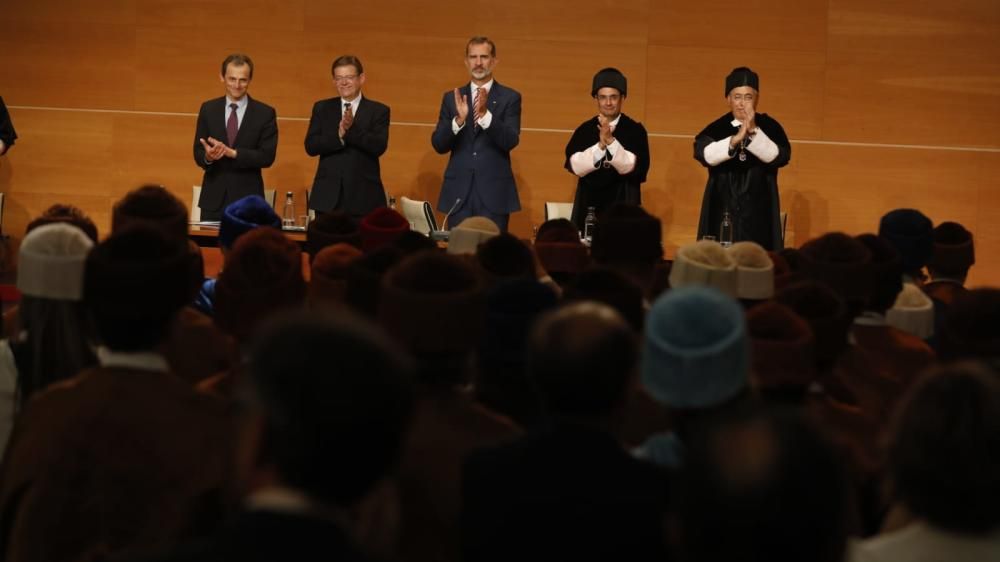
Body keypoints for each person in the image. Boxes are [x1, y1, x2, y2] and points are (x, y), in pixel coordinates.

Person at [431, 36, 521, 232]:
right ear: (466, 61)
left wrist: (485, 116)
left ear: (494, 61)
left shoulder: (510, 97)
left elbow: (510, 140)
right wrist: (458, 121)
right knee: (458, 256)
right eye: (473, 57)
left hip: (494, 195)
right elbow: (438, 144)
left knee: (492, 257)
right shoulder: (451, 98)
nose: (478, 63)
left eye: (484, 57)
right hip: (458, 193)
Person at [695, 67, 790, 250]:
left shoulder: (770, 126)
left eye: (748, 97)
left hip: (759, 213)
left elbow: (780, 156)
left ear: (757, 99)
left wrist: (753, 132)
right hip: (722, 208)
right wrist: (734, 141)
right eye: (737, 97)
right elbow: (703, 153)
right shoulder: (717, 128)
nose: (742, 104)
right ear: (728, 99)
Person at [193, 54, 278, 221]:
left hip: (248, 201)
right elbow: (198, 151)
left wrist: (234, 153)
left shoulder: (265, 113)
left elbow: (267, 157)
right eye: (232, 79)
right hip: (213, 200)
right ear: (222, 77)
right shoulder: (208, 109)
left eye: (243, 80)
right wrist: (208, 157)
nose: (237, 85)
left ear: (250, 79)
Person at [564, 68, 650, 232]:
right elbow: (575, 165)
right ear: (596, 98)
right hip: (588, 205)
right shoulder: (585, 129)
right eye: (603, 97)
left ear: (622, 98)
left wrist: (610, 141)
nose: (608, 103)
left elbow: (635, 168)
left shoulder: (635, 130)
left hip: (624, 205)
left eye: (613, 97)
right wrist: (600, 147)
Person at [305, 55, 390, 220]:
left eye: (349, 77)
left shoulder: (378, 111)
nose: (344, 83)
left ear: (361, 78)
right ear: (334, 81)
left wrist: (351, 130)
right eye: (339, 78)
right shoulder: (322, 108)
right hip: (327, 199)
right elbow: (311, 146)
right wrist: (338, 135)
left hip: (364, 199)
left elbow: (378, 146)